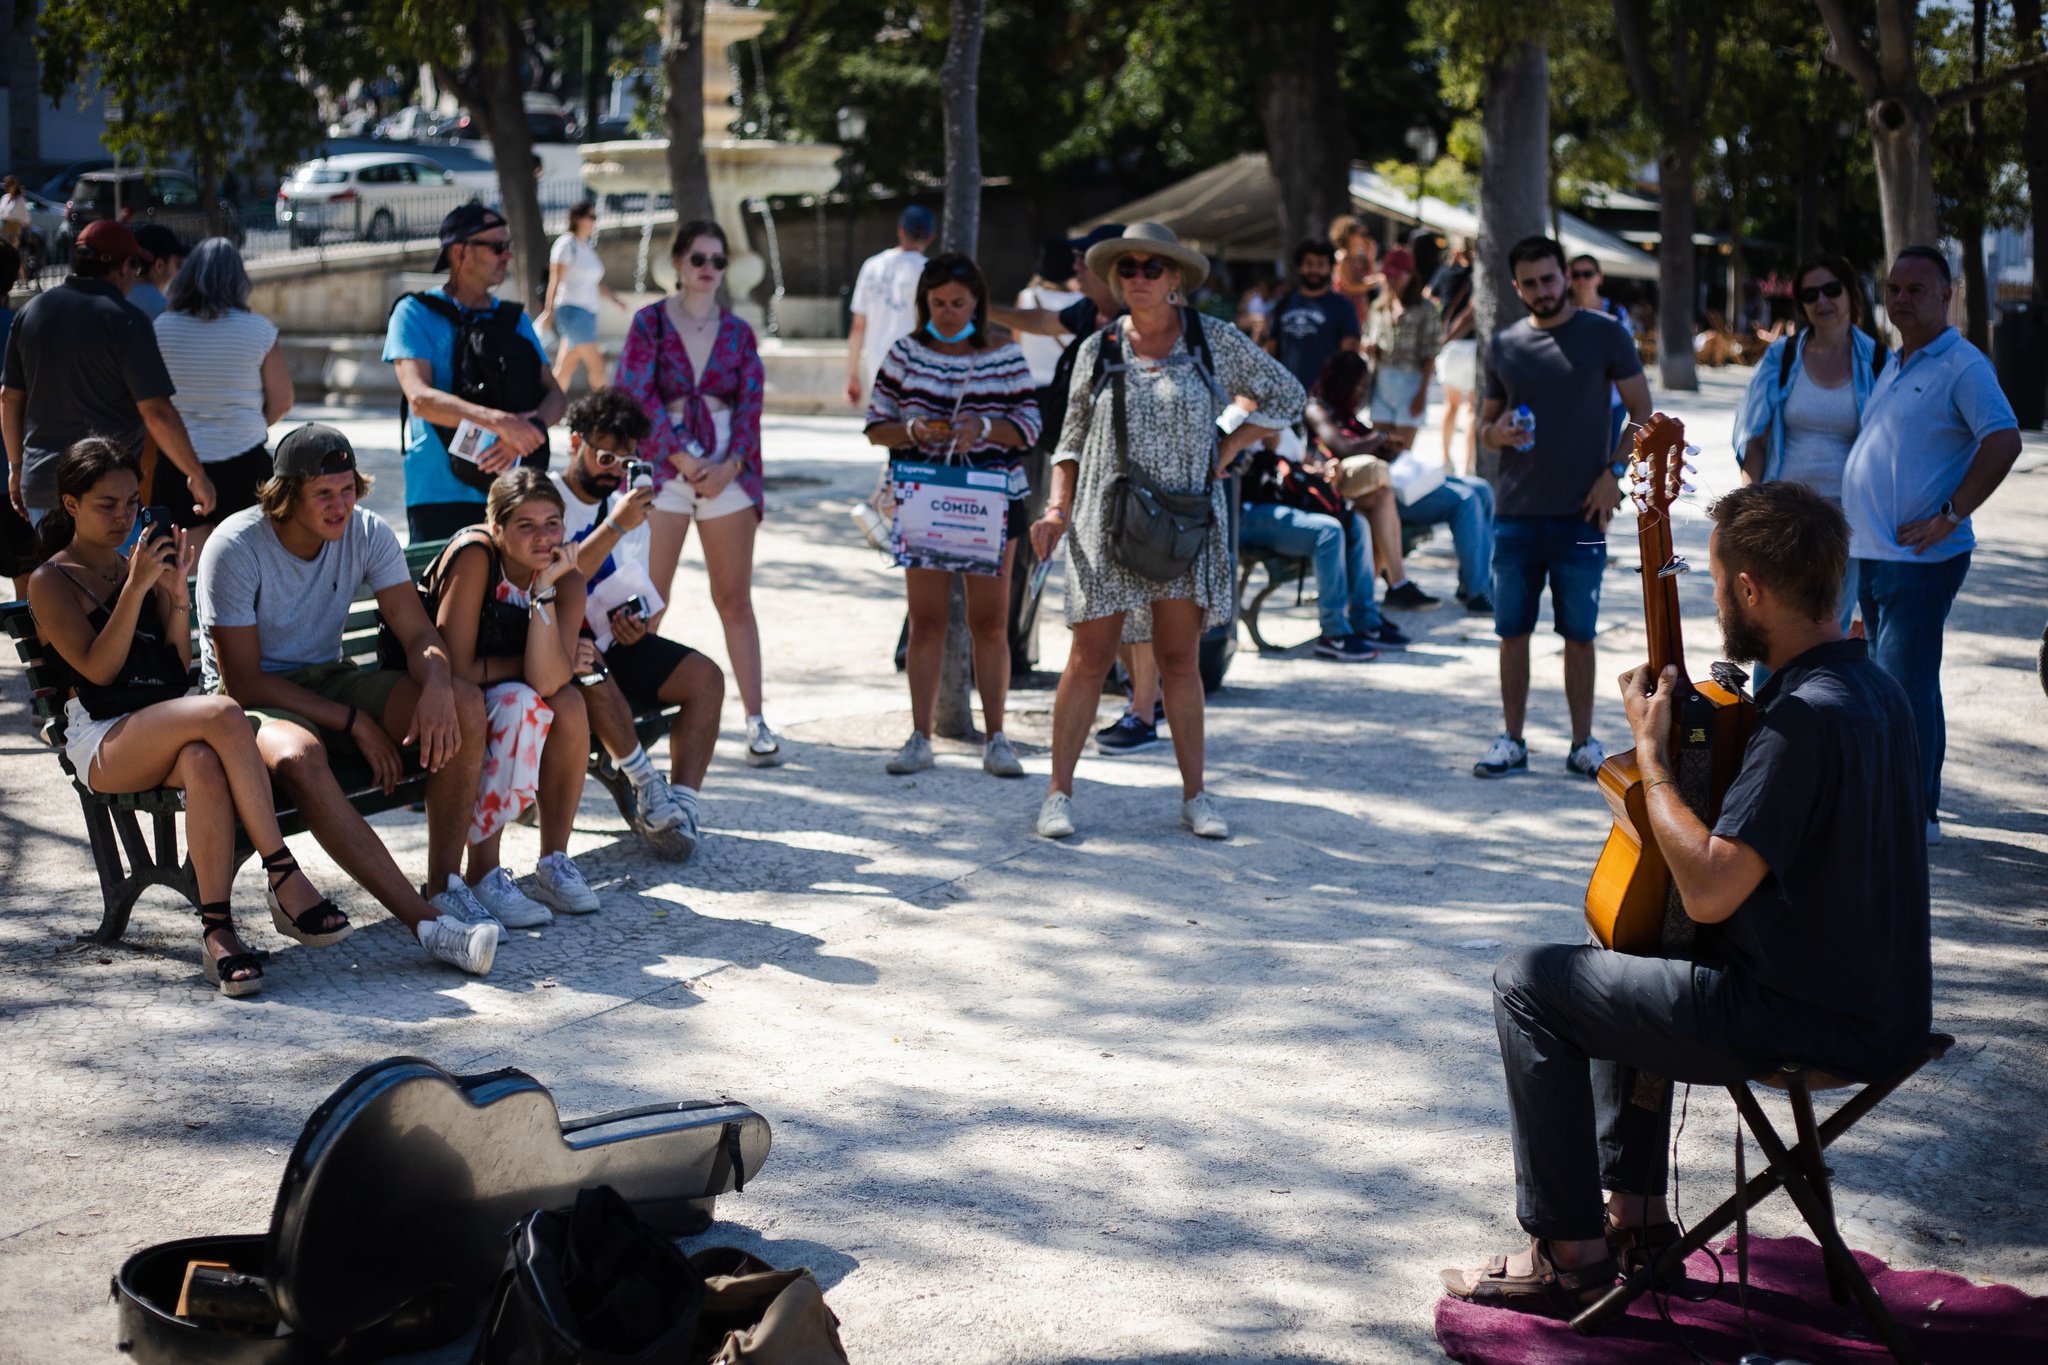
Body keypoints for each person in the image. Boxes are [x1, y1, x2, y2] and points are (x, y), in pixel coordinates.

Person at [1443, 482, 1930, 1319]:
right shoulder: (1879, 689)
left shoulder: (1800, 722)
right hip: (1887, 1010)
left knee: (1527, 982)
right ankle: (1634, 1216)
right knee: (1630, 950)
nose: (1715, 603)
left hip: (1797, 1018)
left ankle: (1571, 1257)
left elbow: (1708, 891)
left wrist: (1652, 755)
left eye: (1717, 584)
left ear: (1751, 590)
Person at [26, 438, 345, 997]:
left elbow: (174, 669)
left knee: (203, 760)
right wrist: (135, 588)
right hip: (103, 739)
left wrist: (173, 596)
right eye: (107, 504)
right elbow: (100, 672)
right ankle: (283, 874)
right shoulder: (50, 580)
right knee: (224, 711)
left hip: (159, 722)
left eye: (131, 502)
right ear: (71, 505)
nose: (124, 516)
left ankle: (218, 932)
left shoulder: (139, 566)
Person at [1032, 222, 1304, 841]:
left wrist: (1233, 441)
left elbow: (1287, 394)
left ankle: (1195, 796)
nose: (1139, 278)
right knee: (1088, 658)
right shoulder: (1099, 347)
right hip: (1106, 521)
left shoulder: (1212, 340)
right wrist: (1055, 509)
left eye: (1153, 268)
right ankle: (1057, 794)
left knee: (1181, 660)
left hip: (1185, 520)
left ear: (1176, 277)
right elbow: (1069, 439)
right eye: (1128, 268)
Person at [198, 424, 500, 974]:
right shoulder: (235, 546)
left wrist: (436, 683)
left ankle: (445, 886)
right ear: (287, 494)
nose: (340, 505)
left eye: (347, 490)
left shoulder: (366, 531)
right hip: (248, 700)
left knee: (465, 703)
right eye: (323, 493)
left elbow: (417, 634)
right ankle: (427, 925)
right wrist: (354, 721)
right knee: (301, 756)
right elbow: (242, 681)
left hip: (330, 677)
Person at [1842, 245, 2021, 843]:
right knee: (1899, 680)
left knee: (1903, 685)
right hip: (1876, 553)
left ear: (1948, 295)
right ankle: (1905, 803)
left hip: (1920, 559)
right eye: (1894, 288)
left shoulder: (1963, 365)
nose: (1901, 299)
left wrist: (1950, 514)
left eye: (1917, 289)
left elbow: (2003, 442)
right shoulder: (1897, 361)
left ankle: (1916, 814)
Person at [1472, 236, 1650, 781]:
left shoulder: (1605, 334)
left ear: (1565, 276)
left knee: (1579, 631)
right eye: (1529, 283)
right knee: (1512, 632)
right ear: (1516, 285)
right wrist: (1496, 434)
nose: (1541, 291)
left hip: (1582, 513)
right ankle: (1512, 740)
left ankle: (1582, 742)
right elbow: (1485, 428)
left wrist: (1614, 476)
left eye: (1549, 279)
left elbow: (1643, 414)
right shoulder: (1504, 345)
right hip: (1516, 514)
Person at [863, 253, 1041, 777]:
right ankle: (920, 736)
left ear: (977, 302)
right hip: (924, 498)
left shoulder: (1004, 354)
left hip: (994, 498)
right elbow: (877, 424)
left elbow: (1030, 425)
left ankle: (997, 738)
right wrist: (917, 431)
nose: (946, 312)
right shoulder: (905, 353)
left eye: (957, 302)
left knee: (991, 621)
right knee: (926, 620)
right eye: (937, 302)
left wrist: (983, 428)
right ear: (924, 303)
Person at [613, 218, 780, 767]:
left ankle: (756, 720)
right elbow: (636, 396)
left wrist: (732, 465)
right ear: (678, 264)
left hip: (727, 466)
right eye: (699, 260)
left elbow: (752, 405)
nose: (708, 270)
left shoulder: (738, 332)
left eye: (718, 261)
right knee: (648, 599)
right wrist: (683, 458)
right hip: (665, 469)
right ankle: (625, 715)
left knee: (734, 599)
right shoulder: (650, 323)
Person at [416, 470, 598, 921]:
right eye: (525, 525)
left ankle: (554, 862)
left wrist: (543, 594)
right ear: (497, 528)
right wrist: (538, 663)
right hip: (435, 693)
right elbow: (457, 666)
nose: (543, 538)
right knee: (519, 702)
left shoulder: (564, 578)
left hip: (499, 691)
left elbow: (552, 683)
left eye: (552, 523)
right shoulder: (478, 556)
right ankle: (483, 872)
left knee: (569, 705)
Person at [553, 389, 725, 859]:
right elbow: (559, 579)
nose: (613, 469)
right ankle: (649, 786)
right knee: (588, 662)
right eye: (605, 455)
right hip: (557, 647)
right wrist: (616, 525)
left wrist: (637, 618)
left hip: (612, 640)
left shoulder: (631, 512)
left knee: (706, 678)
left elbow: (633, 588)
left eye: (626, 459)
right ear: (575, 445)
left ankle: (683, 805)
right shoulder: (547, 498)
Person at [3, 220, 214, 531]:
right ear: (123, 266)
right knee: (111, 581)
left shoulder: (32, 312)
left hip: (43, 485)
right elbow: (156, 412)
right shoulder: (126, 321)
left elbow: (9, 398)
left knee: (56, 578)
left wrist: (16, 467)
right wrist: (197, 475)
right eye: (134, 265)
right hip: (106, 495)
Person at [1733, 251, 1886, 675]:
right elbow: (1754, 435)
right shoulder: (1782, 358)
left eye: (1831, 289)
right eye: (1810, 293)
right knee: (1773, 630)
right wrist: (1749, 498)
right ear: (1800, 303)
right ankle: (1769, 726)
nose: (1822, 300)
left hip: (1847, 522)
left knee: (1826, 631)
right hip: (1783, 517)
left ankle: (1818, 725)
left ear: (1850, 292)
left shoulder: (1878, 361)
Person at [383, 203, 567, 542]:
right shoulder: (414, 312)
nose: (507, 255)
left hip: (513, 494)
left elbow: (556, 396)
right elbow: (420, 399)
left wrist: (525, 434)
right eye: (497, 246)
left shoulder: (514, 319)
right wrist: (502, 424)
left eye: (508, 246)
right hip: (439, 494)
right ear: (459, 251)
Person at [152, 238, 293, 559]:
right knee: (247, 565)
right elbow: (283, 400)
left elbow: (152, 402)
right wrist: (246, 421)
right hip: (245, 461)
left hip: (179, 463)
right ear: (239, 281)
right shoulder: (260, 330)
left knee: (181, 572)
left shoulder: (161, 329)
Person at [1302, 350, 1428, 630]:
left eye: (1364, 387)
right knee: (1376, 480)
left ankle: (1369, 603)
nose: (1360, 394)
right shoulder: (1317, 408)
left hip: (1355, 492)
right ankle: (1395, 585)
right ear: (1341, 382)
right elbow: (1343, 448)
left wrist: (1386, 446)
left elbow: (1363, 442)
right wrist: (1379, 437)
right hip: (1327, 488)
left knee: (1381, 498)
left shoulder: (1348, 415)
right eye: (1356, 386)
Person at [844, 205, 935, 408]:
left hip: (879, 363)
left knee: (883, 427)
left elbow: (858, 327)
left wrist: (852, 375)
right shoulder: (930, 271)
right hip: (915, 367)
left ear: (900, 230)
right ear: (931, 236)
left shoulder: (872, 266)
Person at [536, 200, 624, 394]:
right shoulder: (566, 244)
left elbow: (594, 282)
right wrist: (548, 311)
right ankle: (608, 415)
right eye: (590, 216)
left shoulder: (584, 246)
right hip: (573, 312)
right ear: (577, 218)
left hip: (586, 313)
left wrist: (615, 299)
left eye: (595, 217)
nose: (594, 221)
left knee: (566, 367)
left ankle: (547, 412)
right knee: (597, 366)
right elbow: (554, 280)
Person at [1364, 248, 1440, 452]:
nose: (1392, 280)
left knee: (1401, 451)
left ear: (1410, 274)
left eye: (1397, 275)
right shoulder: (1378, 307)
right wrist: (1370, 348)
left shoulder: (1425, 309)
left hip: (1411, 383)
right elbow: (1369, 337)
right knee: (1380, 448)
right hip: (1382, 382)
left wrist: (1422, 393)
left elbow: (1430, 354)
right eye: (1388, 275)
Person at [1269, 239, 1360, 394]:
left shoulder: (1343, 306)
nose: (1314, 270)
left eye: (1321, 265)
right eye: (1309, 264)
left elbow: (1349, 356)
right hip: (1285, 394)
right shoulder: (1284, 303)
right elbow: (1270, 349)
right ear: (1299, 267)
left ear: (1330, 268)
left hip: (1325, 395)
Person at [1567, 255, 1632, 452]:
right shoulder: (1562, 312)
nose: (1581, 280)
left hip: (1610, 403)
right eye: (1575, 275)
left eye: (1587, 274)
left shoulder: (1616, 312)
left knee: (1605, 464)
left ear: (1599, 277)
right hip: (1572, 403)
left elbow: (1626, 358)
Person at [1429, 244, 1479, 477]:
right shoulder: (1478, 275)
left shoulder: (1444, 273)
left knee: (1451, 405)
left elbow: (1428, 296)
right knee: (1472, 409)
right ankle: (1470, 465)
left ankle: (1446, 460)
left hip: (1451, 346)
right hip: (1472, 346)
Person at [1012, 239, 1083, 389]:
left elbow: (1017, 341)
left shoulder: (1026, 296)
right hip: (1066, 384)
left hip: (1030, 383)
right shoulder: (1082, 302)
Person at [127, 224, 188, 322]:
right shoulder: (167, 310)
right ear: (159, 265)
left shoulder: (116, 299)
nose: (179, 273)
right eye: (178, 264)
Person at [1329, 215, 1380, 326]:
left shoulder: (1360, 257)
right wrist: (1377, 281)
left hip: (1360, 310)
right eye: (1361, 234)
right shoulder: (1343, 258)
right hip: (1345, 310)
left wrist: (1371, 257)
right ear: (1348, 236)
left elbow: (1371, 275)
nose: (1365, 238)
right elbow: (1351, 287)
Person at [0, 176, 29, 250]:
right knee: (3, 247)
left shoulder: (19, 199)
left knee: (12, 248)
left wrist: (28, 231)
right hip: (3, 225)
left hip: (14, 226)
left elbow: (25, 215)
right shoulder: (5, 198)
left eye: (10, 185)